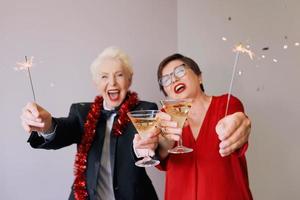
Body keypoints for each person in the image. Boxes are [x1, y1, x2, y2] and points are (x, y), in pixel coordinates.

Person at [20, 47, 159, 200]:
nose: (112, 82)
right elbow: (63, 130)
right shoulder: (82, 112)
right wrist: (47, 125)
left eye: (119, 75)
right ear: (96, 82)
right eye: (104, 77)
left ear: (129, 79)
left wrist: (146, 147)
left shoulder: (146, 110)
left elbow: (155, 145)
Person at [134, 53, 252, 200]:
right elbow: (158, 153)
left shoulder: (227, 104)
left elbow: (238, 124)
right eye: (166, 79)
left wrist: (239, 127)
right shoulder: (164, 117)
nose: (174, 79)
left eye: (180, 71)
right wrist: (158, 145)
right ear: (166, 92)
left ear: (199, 77)